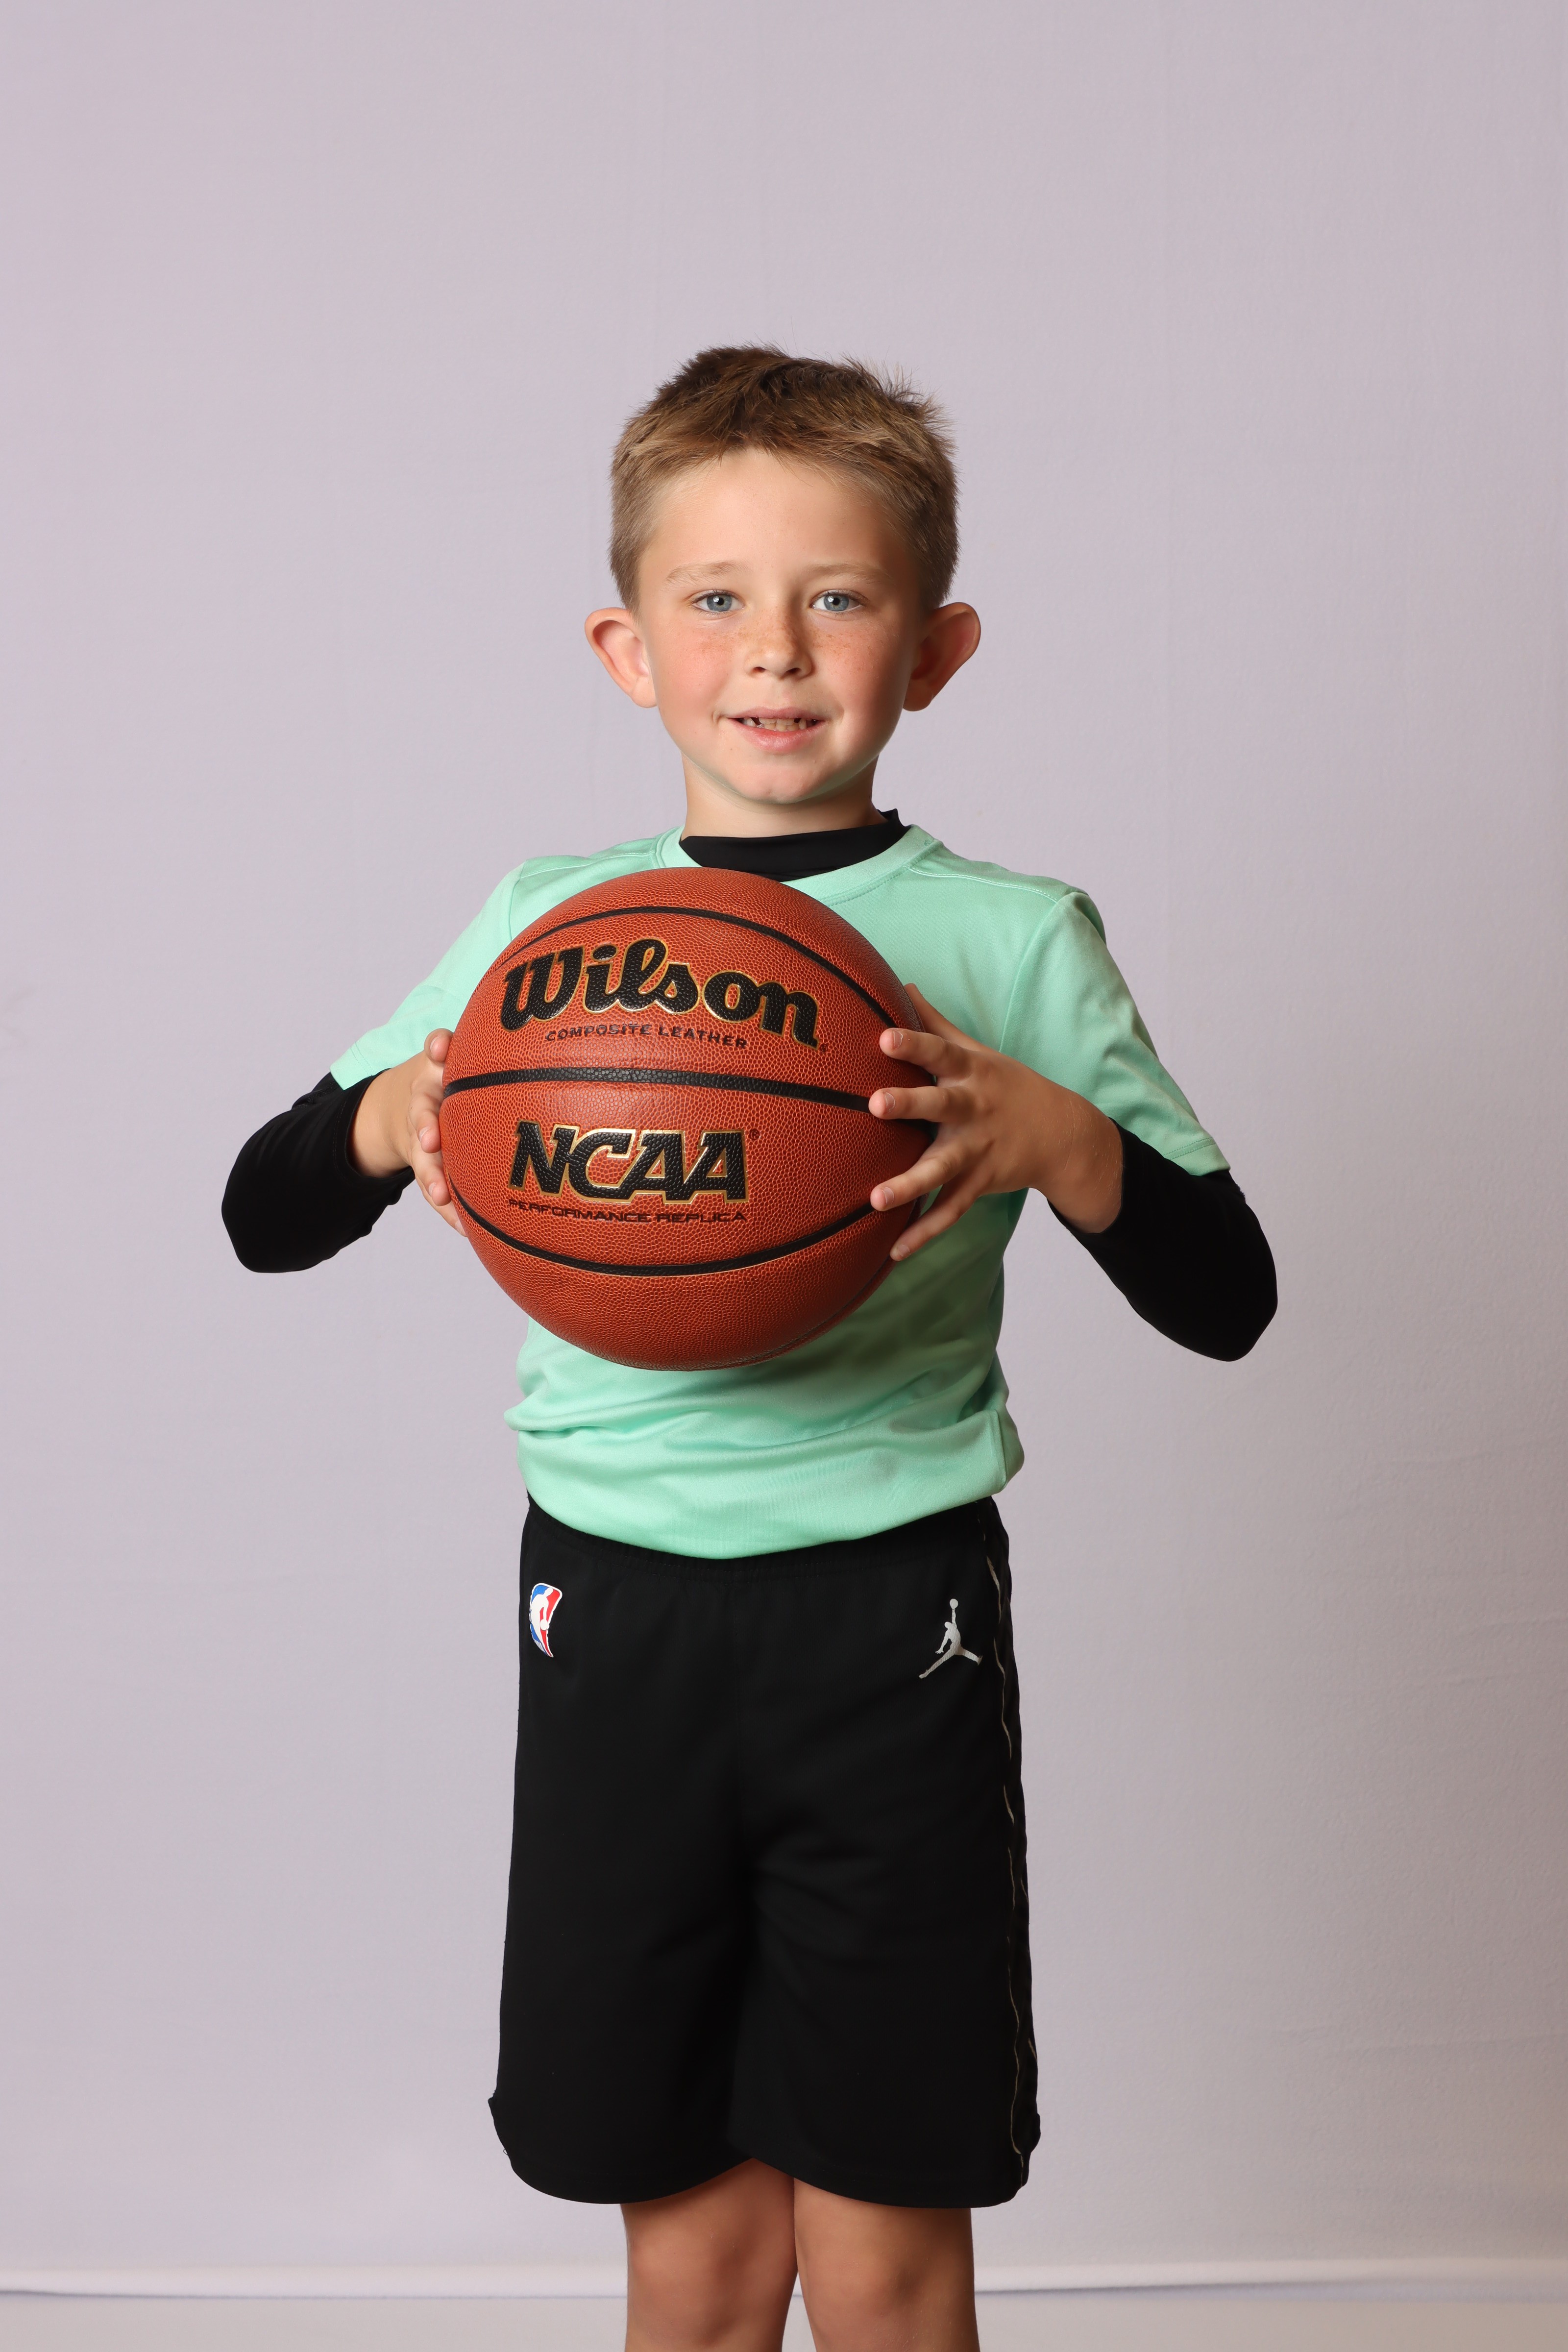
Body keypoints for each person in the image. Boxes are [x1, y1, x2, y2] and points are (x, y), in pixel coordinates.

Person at [224, 347, 1275, 2352]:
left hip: (890, 1623)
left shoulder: (1014, 942)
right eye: (714, 598)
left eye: (837, 596)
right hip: (610, 1616)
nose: (774, 649)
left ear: (933, 649)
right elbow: (262, 1212)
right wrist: (399, 1112)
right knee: (694, 2260)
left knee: (883, 2260)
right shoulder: (544, 934)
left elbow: (1225, 1295)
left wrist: (1056, 1140)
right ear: (626, 649)